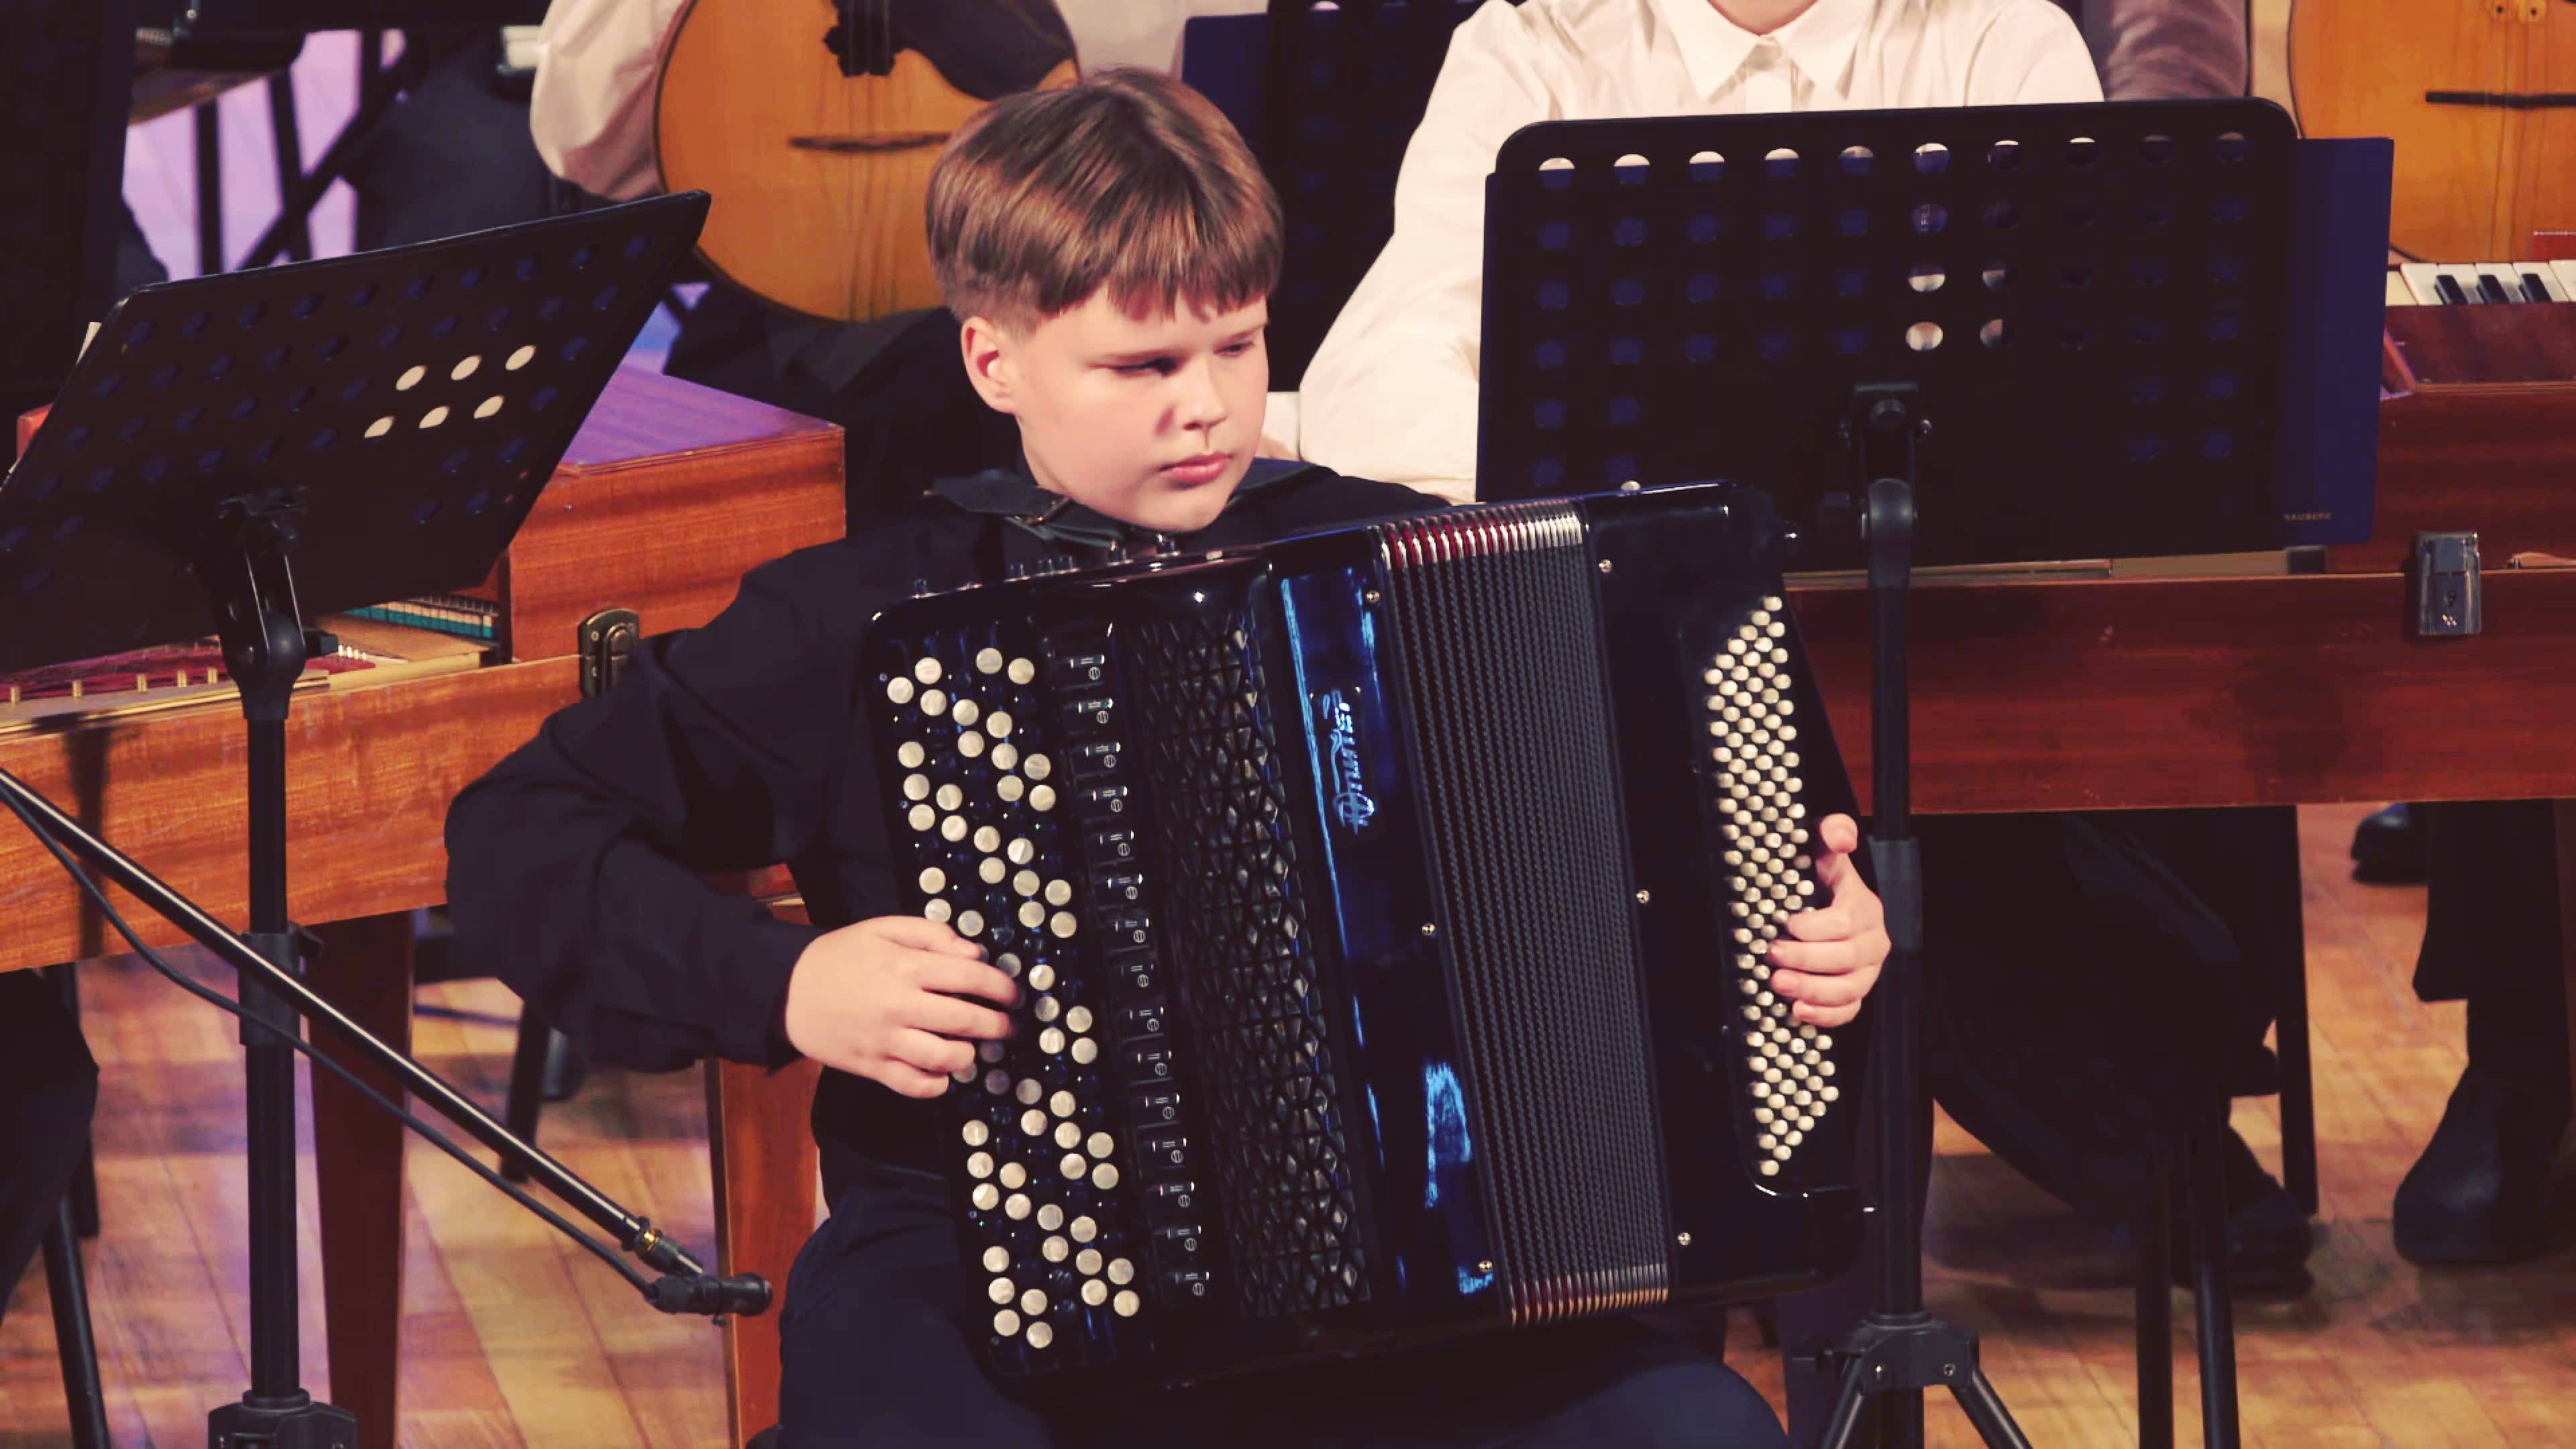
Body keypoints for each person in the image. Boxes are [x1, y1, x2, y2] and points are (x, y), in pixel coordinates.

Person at [447, 68, 1891, 1446]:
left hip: (1446, 1283)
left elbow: (1708, 866)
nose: (1204, 404)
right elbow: (522, 832)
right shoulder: (858, 615)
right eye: (1142, 363)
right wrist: (789, 983)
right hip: (983, 1258)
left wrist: (1824, 942)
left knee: (1690, 1427)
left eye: (1238, 345)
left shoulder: (1419, 561)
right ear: (994, 358)